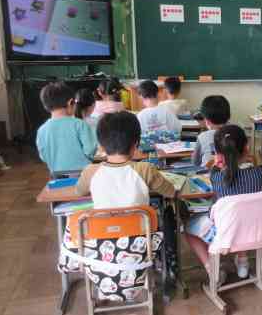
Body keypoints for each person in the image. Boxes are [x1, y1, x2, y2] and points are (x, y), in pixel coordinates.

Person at [60, 111, 176, 301]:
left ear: (101, 146)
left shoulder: (91, 171)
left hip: (100, 250)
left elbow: (79, 191)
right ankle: (166, 270)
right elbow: (171, 192)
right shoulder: (144, 169)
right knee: (165, 214)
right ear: (136, 144)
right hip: (139, 248)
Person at [185, 125, 262, 280]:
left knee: (188, 227)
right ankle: (243, 262)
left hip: (227, 234)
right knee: (244, 215)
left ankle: (212, 269)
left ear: (218, 154)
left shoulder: (217, 177)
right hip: (257, 229)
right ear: (246, 148)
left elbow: (218, 173)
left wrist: (215, 165)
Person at [36, 82, 97, 174]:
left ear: (46, 106)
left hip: (56, 175)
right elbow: (90, 150)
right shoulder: (80, 124)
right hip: (83, 174)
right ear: (70, 102)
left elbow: (43, 157)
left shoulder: (41, 130)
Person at [192, 96, 231, 168]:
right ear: (228, 117)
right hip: (232, 173)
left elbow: (195, 162)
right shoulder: (236, 132)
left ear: (207, 121)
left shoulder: (202, 137)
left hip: (207, 173)